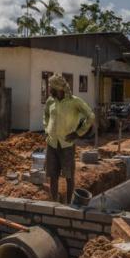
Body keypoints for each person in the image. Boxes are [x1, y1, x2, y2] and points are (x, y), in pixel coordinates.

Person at [43, 74, 95, 203]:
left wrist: (78, 133)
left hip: (67, 145)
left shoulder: (75, 102)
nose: (49, 89)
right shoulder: (50, 101)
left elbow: (91, 116)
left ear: (59, 88)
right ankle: (54, 203)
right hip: (51, 144)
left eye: (51, 87)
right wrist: (47, 129)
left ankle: (69, 203)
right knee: (53, 176)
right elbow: (46, 115)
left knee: (69, 176)